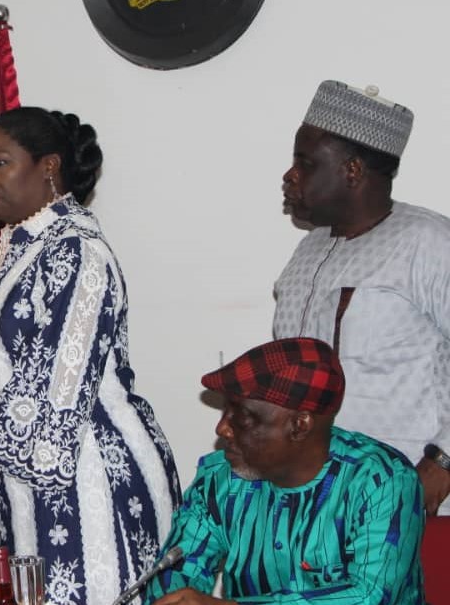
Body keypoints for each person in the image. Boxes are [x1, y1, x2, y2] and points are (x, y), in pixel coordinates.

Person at [0, 107, 181, 605]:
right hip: (38, 487)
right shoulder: (28, 247)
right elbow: (12, 373)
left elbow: (53, 392)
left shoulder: (76, 251)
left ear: (48, 167)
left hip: (94, 482)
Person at [274, 80, 450, 516]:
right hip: (321, 507)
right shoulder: (308, 250)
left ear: (352, 171)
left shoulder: (426, 241)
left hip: (411, 503)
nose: (289, 176)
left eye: (306, 163)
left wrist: (443, 463)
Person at [146, 338, 425, 604]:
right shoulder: (219, 479)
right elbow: (178, 570)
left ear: (299, 425)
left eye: (241, 416)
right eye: (225, 410)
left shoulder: (382, 481)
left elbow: (370, 597)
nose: (222, 428)